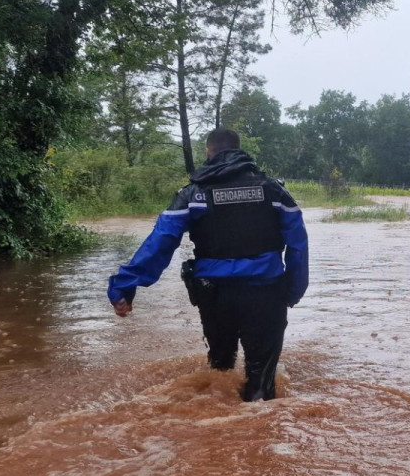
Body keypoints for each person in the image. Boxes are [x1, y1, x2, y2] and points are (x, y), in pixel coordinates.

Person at [107, 128, 308, 402]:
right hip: (266, 294)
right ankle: (258, 433)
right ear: (239, 150)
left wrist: (125, 285)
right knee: (261, 382)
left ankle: (213, 423)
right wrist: (294, 290)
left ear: (208, 152)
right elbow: (298, 245)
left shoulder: (193, 194)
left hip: (214, 295)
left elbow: (161, 241)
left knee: (220, 369)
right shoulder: (274, 191)